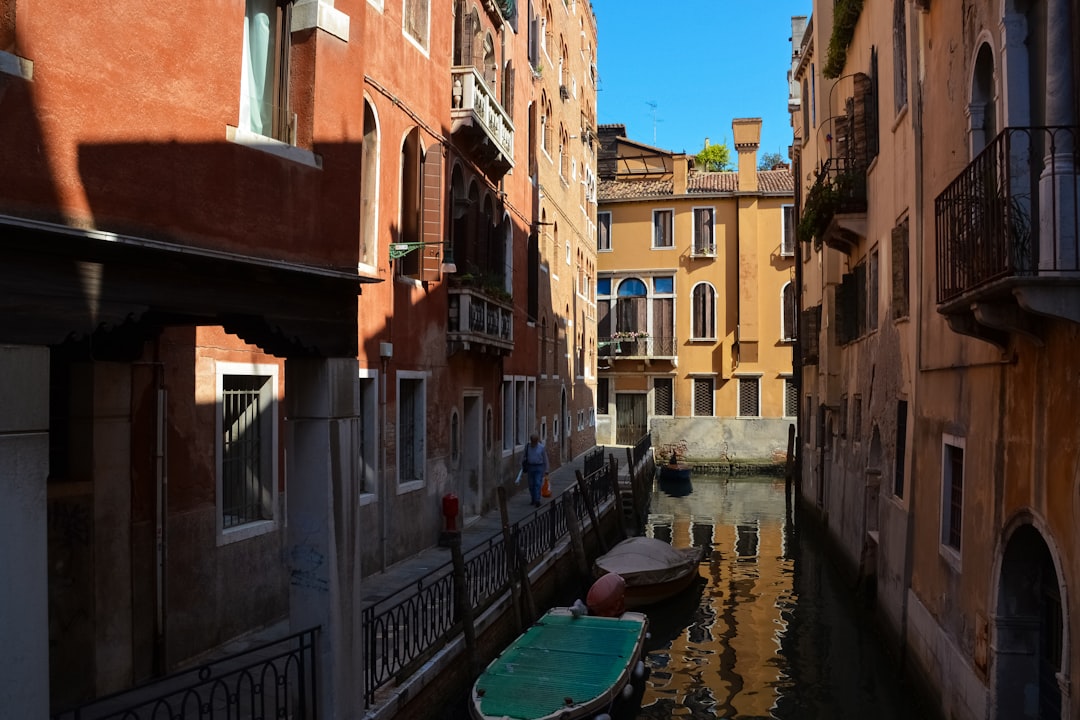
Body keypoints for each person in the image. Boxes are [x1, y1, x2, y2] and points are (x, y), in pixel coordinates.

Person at [521, 432, 549, 507]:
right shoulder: (527, 447)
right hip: (530, 467)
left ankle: (537, 500)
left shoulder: (541, 447)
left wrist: (546, 470)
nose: (533, 443)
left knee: (537, 483)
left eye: (534, 441)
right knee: (531, 484)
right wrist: (522, 465)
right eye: (532, 441)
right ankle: (533, 498)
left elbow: (545, 459)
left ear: (537, 441)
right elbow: (523, 456)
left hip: (539, 467)